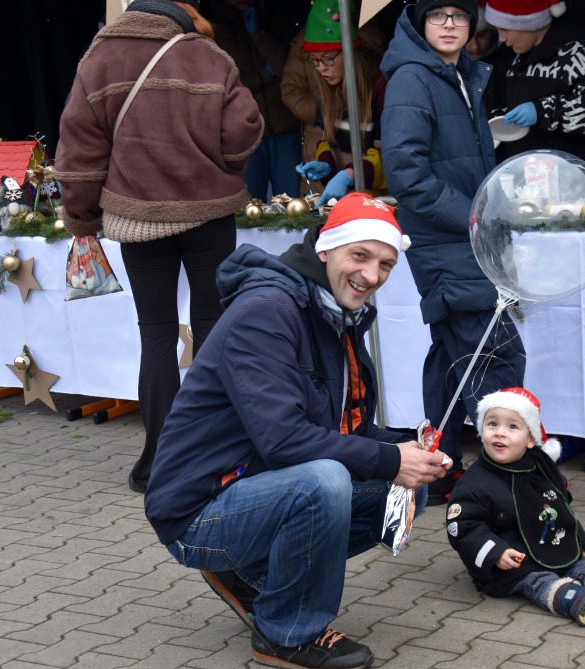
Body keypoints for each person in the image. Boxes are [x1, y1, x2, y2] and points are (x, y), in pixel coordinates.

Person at [143, 193, 452, 669]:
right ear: (326, 250)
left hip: (257, 483)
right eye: (361, 256)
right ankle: (286, 633)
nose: (373, 276)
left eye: (387, 264)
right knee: (324, 482)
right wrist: (391, 460)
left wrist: (407, 449)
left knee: (407, 489)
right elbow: (285, 440)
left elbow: (343, 426)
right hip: (197, 510)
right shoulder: (268, 310)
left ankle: (257, 576)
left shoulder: (331, 310)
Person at [54, 0, 263, 494]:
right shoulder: (208, 55)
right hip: (211, 213)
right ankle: (218, 456)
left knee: (156, 336)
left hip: (136, 216)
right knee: (215, 331)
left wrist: (83, 218)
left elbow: (79, 147)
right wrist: (208, 156)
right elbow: (242, 135)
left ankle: (158, 463)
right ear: (181, 14)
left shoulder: (98, 59)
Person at [381, 0, 526, 505]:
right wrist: (476, 215)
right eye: (438, 15)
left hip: (465, 239)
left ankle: (437, 468)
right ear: (419, 23)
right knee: (497, 357)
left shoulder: (457, 74)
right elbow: (406, 174)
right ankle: (509, 480)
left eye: (459, 16)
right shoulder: (412, 79)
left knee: (451, 357)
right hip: (449, 242)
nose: (449, 24)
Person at [446, 387, 585, 626]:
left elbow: (560, 505)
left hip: (547, 544)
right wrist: (495, 552)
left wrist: (579, 538)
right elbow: (463, 526)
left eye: (512, 427)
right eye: (492, 424)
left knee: (577, 565)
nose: (500, 433)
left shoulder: (539, 468)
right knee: (539, 580)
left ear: (531, 440)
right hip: (512, 563)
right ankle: (574, 600)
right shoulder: (475, 482)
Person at [484, 0, 585, 177]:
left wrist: (544, 110)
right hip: (532, 181)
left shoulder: (577, 53)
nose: (501, 39)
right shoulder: (516, 58)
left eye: (505, 29)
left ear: (530, 23)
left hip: (575, 182)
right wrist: (500, 120)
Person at [282, 0, 388, 207]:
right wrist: (326, 164)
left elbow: (390, 155)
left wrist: (348, 175)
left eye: (328, 58)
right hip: (350, 203)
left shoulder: (380, 86)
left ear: (349, 53)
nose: (321, 68)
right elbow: (328, 140)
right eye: (314, 60)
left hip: (381, 204)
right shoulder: (328, 90)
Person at [210, 0, 310, 200]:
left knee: (293, 204)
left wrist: (258, 35)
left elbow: (289, 69)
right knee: (249, 206)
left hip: (285, 126)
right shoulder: (215, 27)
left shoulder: (276, 16)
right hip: (244, 131)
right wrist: (262, 76)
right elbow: (223, 83)